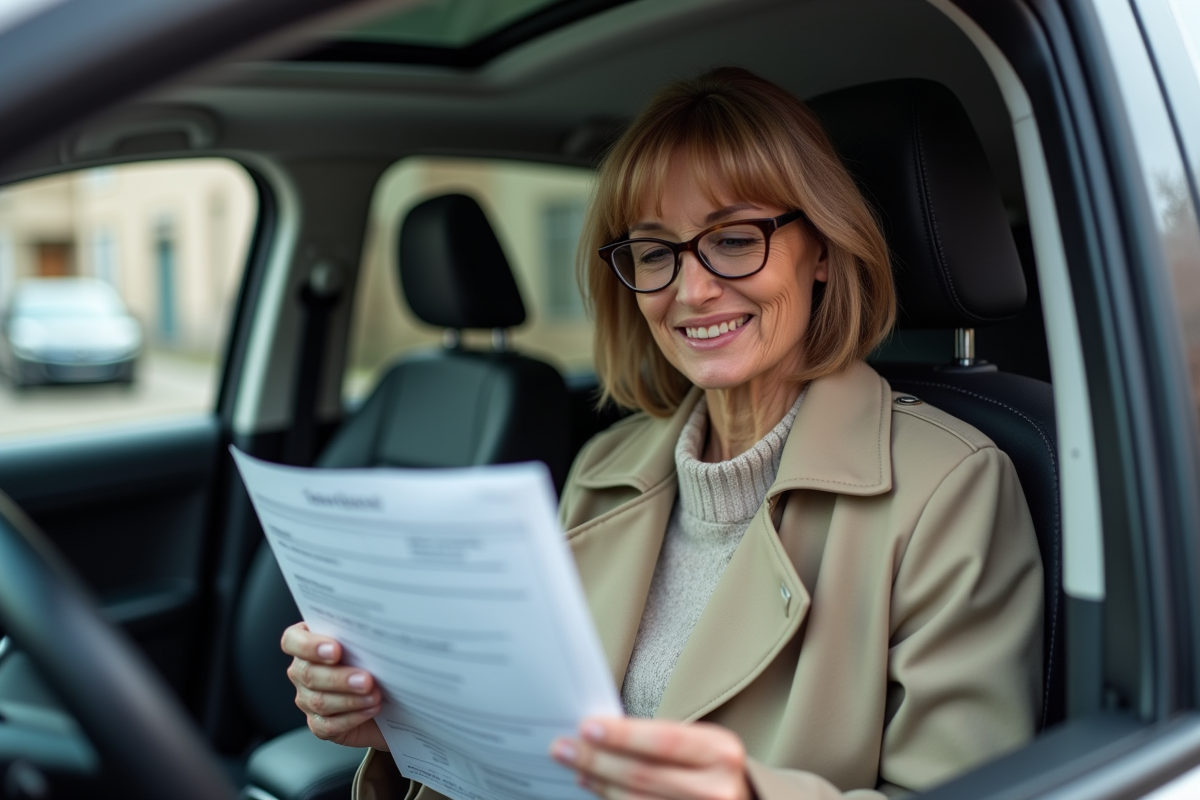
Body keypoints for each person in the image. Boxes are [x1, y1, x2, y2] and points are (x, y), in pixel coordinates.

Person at [280, 67, 1043, 800]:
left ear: (821, 248)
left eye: (736, 238)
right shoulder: (601, 469)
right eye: (654, 252)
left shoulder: (950, 485)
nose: (692, 288)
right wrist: (407, 726)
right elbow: (533, 752)